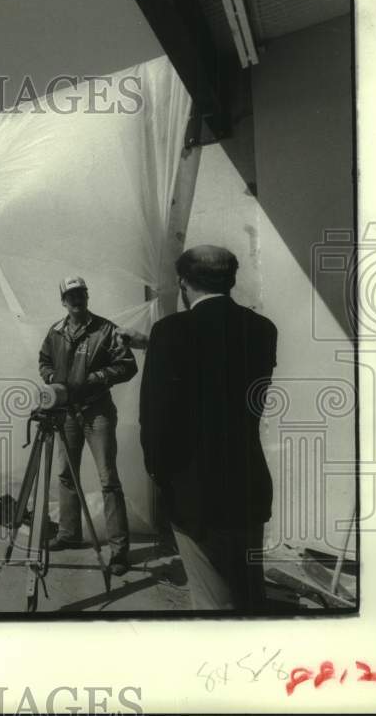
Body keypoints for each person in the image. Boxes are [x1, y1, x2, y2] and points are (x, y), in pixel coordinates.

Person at [139, 245, 277, 612]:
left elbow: (156, 421)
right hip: (248, 483)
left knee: (212, 604)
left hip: (195, 491)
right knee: (249, 596)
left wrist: (160, 474)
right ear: (231, 280)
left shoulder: (169, 331)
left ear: (183, 283)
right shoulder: (263, 329)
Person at [38, 276, 138, 575]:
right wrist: (52, 380)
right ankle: (69, 534)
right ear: (63, 301)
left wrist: (93, 380)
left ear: (87, 296)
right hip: (66, 412)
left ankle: (119, 552)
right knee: (66, 474)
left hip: (97, 412)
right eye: (71, 295)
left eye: (81, 293)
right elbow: (43, 361)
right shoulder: (55, 331)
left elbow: (127, 365)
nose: (77, 299)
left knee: (108, 479)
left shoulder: (106, 330)